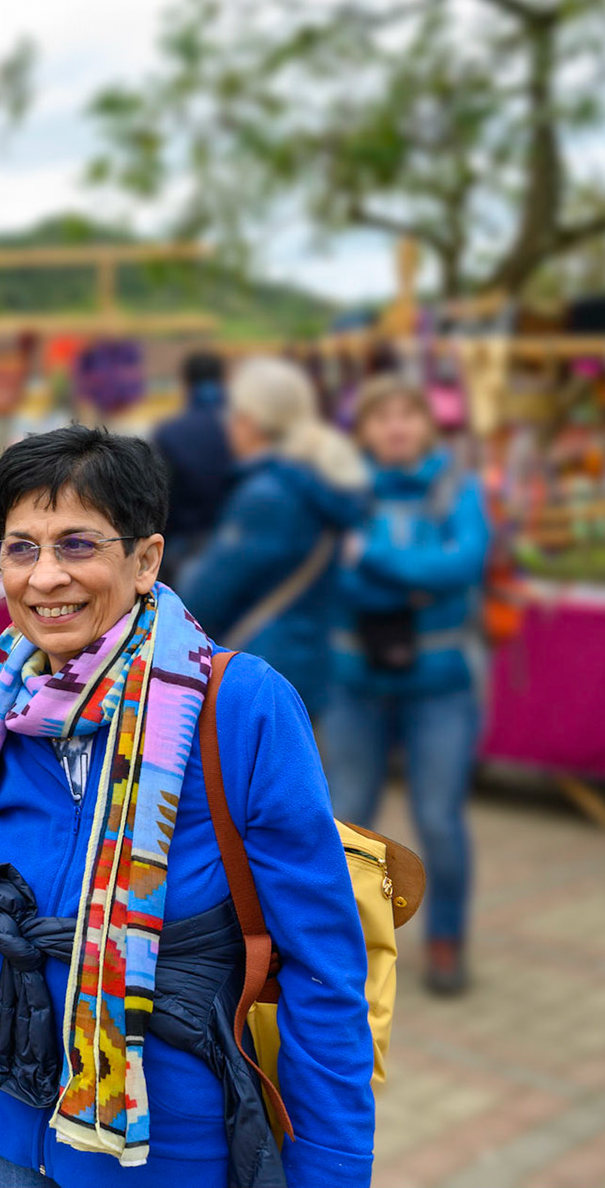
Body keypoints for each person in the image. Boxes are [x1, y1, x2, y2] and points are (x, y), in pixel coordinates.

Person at [0, 424, 375, 1188]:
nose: (46, 576)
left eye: (78, 544)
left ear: (146, 559)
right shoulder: (3, 709)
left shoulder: (239, 705)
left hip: (166, 1151)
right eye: (21, 547)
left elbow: (323, 963)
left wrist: (331, 1168)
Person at [322, 375, 490, 996]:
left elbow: (465, 564)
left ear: (428, 425)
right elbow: (336, 584)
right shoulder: (341, 492)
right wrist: (418, 586)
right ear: (362, 430)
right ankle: (337, 945)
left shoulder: (458, 488)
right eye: (381, 416)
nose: (395, 427)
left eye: (408, 414)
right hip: (354, 682)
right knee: (347, 819)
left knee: (439, 819)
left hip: (442, 683)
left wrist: (370, 558)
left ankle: (446, 937)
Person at [182, 356, 369, 718]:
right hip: (309, 663)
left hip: (258, 670)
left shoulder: (266, 495)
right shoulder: (320, 479)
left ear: (250, 422)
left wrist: (188, 567)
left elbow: (203, 596)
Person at [150, 350, 233, 591]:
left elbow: (160, 496)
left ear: (185, 383)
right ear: (224, 379)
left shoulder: (171, 432)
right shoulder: (246, 429)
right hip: (238, 545)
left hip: (185, 551)